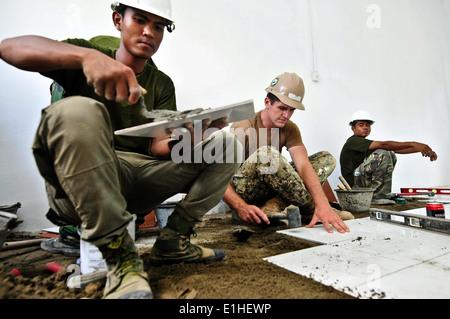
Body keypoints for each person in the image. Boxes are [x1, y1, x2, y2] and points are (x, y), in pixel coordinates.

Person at [0, 0, 241, 299]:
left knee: (228, 144)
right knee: (76, 110)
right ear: (118, 20)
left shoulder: (161, 83)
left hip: (139, 177)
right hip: (82, 183)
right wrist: (84, 58)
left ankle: (174, 240)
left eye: (158, 26)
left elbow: (158, 149)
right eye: (139, 20)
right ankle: (121, 261)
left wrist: (192, 136)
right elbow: (10, 47)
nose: (148, 32)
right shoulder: (87, 55)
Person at [223, 72, 351, 234]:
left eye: (291, 110)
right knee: (267, 154)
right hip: (246, 192)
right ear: (267, 102)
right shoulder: (243, 125)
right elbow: (217, 176)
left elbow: (304, 166)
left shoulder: (289, 128)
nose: (286, 115)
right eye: (282, 108)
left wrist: (324, 204)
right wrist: (241, 207)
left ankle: (274, 205)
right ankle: (309, 208)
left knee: (326, 159)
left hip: (273, 187)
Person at [339, 110, 438, 200]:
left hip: (362, 180)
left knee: (389, 153)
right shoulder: (353, 141)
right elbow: (384, 144)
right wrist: (413, 143)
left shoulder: (364, 144)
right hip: (354, 183)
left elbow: (395, 150)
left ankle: (381, 193)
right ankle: (377, 195)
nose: (365, 127)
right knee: (383, 152)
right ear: (353, 128)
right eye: (361, 125)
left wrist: (421, 149)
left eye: (367, 125)